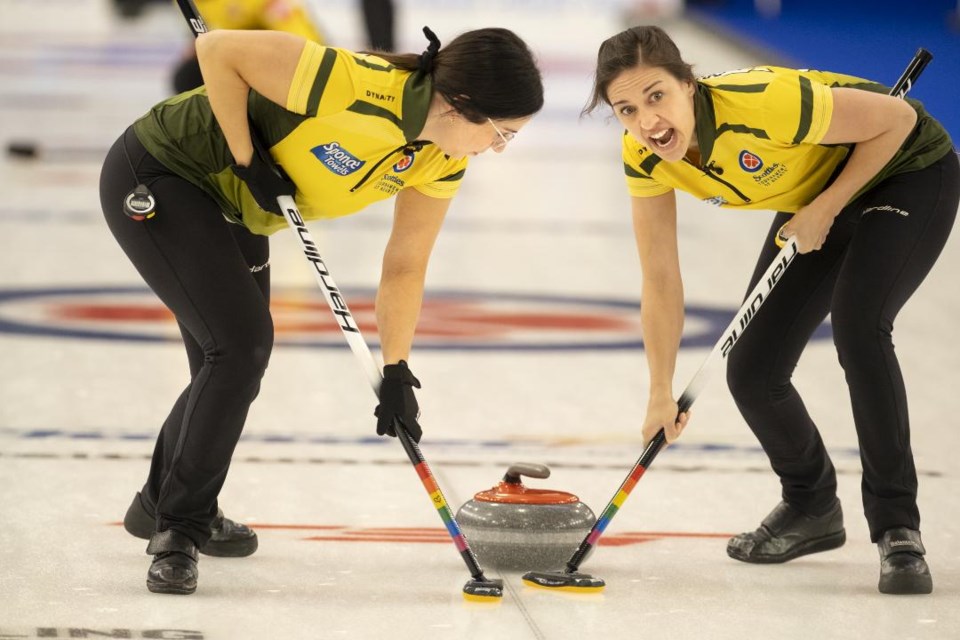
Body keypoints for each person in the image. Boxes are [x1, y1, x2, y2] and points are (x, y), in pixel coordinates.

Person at [99, 25, 543, 595]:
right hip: (166, 172)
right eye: (501, 133)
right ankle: (179, 530)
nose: (499, 149)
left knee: (226, 364)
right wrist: (246, 158)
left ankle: (159, 504)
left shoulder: (442, 160)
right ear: (462, 107)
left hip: (235, 209)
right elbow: (217, 50)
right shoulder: (358, 84)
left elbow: (405, 263)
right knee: (239, 350)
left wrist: (397, 370)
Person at [584, 25, 957, 595]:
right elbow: (660, 276)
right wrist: (660, 389)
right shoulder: (644, 155)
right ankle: (811, 506)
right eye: (627, 109)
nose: (647, 121)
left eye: (657, 96)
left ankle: (897, 528)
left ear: (689, 83)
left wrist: (829, 205)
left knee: (860, 327)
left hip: (906, 171)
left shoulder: (764, 101)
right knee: (753, 369)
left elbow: (898, 120)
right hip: (817, 195)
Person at [169, 0, 396, 93]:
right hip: (240, 47)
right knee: (188, 76)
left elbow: (298, 35)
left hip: (294, 53)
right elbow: (203, 30)